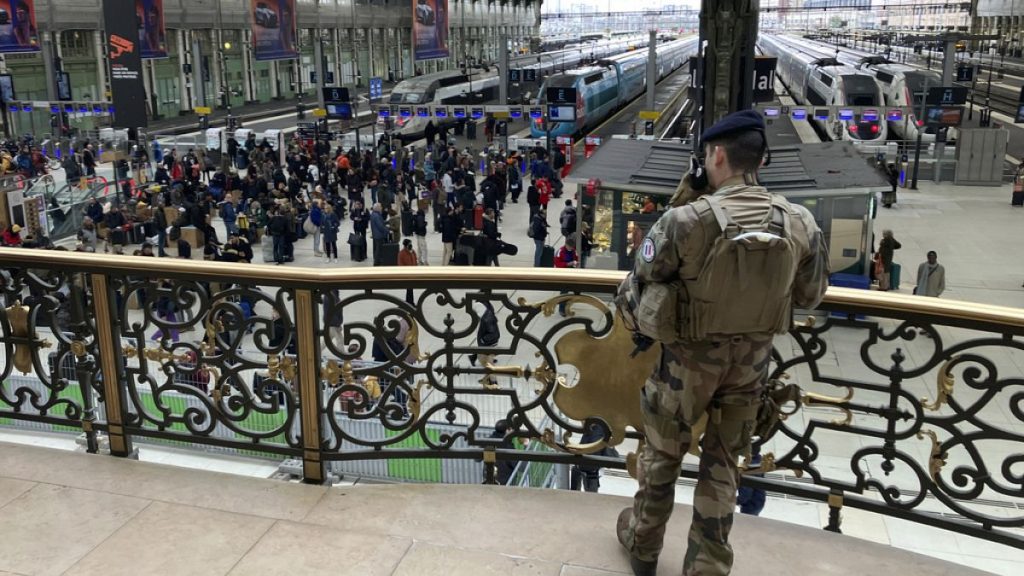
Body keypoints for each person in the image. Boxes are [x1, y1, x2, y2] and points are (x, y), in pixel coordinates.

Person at [616, 110, 829, 576]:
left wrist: (685, 196)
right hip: (751, 366)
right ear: (761, 161)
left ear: (715, 155)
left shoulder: (686, 220)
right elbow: (811, 296)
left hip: (685, 367)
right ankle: (708, 563)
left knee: (662, 456)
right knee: (723, 464)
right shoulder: (799, 221)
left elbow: (642, 276)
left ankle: (644, 545)